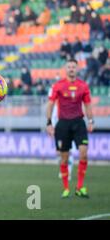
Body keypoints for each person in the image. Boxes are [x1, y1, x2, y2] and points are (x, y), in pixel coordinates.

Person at [46, 59, 94, 198]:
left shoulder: (83, 86)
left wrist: (91, 120)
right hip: (63, 125)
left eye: (74, 66)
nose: (71, 69)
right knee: (64, 158)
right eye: (69, 67)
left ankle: (79, 187)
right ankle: (66, 188)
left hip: (79, 123)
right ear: (65, 69)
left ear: (77, 69)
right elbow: (50, 104)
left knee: (84, 154)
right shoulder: (58, 85)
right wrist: (49, 122)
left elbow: (88, 105)